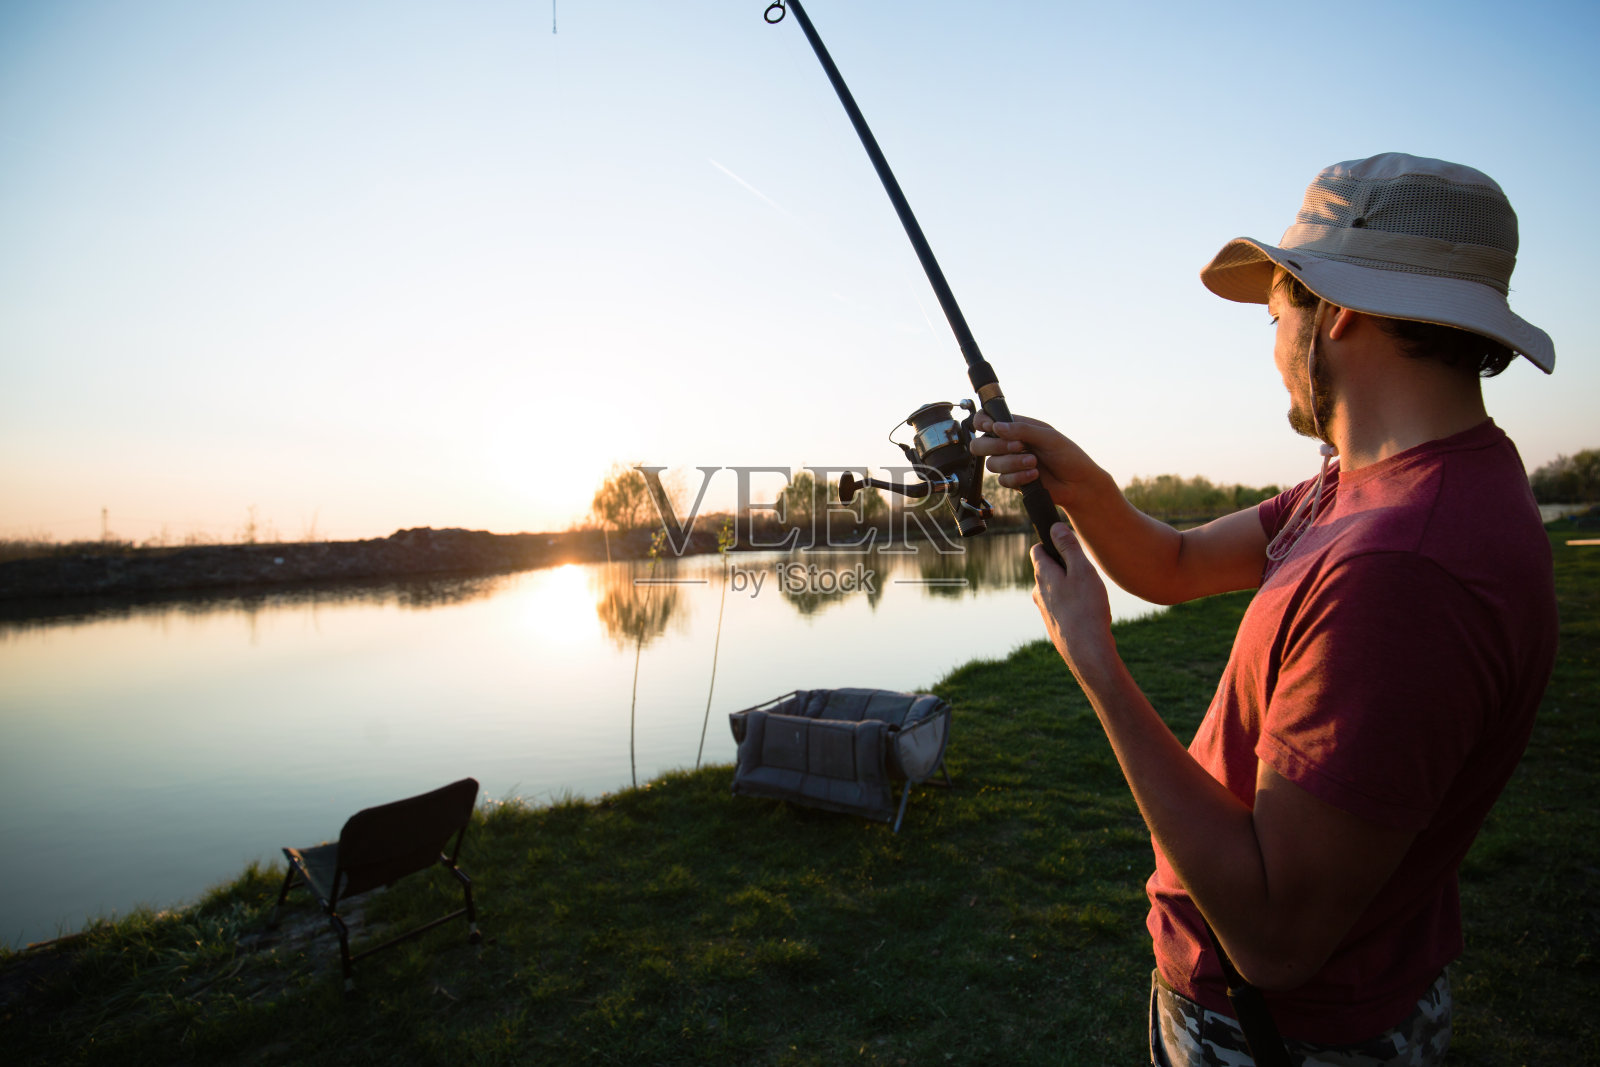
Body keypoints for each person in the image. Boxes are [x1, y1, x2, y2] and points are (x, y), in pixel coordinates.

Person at [972, 153, 1558, 1066]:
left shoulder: (1402, 566)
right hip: (1346, 993)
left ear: (1341, 310)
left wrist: (1097, 663)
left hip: (1283, 1030)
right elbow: (1170, 563)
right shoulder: (1373, 488)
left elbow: (1275, 939)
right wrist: (1078, 483)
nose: (1274, 340)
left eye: (1279, 309)